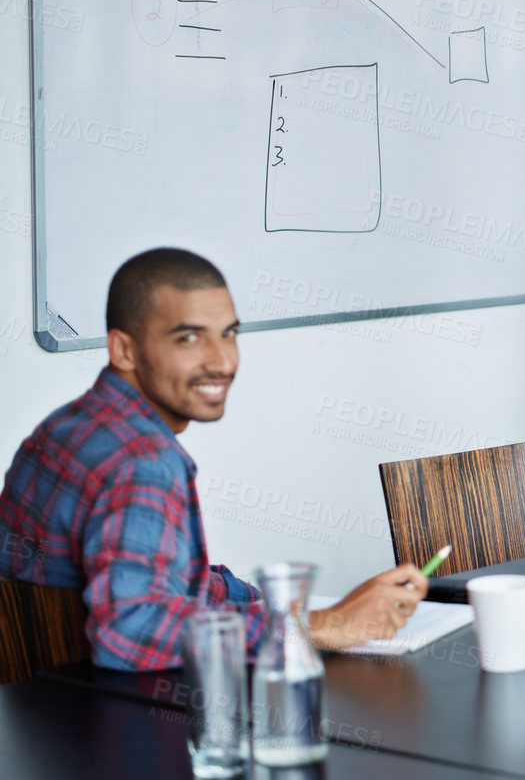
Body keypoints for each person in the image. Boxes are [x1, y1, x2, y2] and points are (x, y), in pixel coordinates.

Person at [0, 249, 427, 672]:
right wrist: (317, 624)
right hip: (109, 723)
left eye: (228, 334)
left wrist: (267, 604)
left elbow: (159, 582)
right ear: (124, 350)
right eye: (189, 338)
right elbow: (131, 631)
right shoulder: (143, 461)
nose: (222, 361)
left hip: (37, 717)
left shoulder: (66, 427)